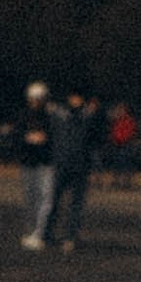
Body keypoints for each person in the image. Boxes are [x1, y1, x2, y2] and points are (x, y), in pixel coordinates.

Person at [45, 89, 99, 250]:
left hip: (80, 165)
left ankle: (70, 235)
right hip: (62, 163)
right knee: (54, 201)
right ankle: (48, 233)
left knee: (75, 203)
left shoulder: (86, 117)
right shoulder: (61, 115)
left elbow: (92, 140)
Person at [16, 84, 55, 250]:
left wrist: (44, 139)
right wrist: (27, 138)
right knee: (30, 197)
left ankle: (40, 232)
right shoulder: (24, 115)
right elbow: (17, 135)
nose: (35, 102)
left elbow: (54, 136)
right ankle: (31, 230)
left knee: (45, 197)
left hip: (45, 162)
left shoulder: (50, 116)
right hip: (29, 161)